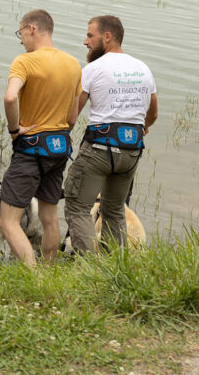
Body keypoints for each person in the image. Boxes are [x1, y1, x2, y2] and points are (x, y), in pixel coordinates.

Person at [64, 16, 158, 252]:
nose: (85, 41)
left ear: (107, 37)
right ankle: (113, 270)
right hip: (132, 151)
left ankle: (86, 267)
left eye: (90, 35)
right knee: (114, 209)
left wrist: (63, 134)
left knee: (77, 207)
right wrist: (142, 127)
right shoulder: (142, 68)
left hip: (99, 149)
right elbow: (153, 113)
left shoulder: (93, 68)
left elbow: (73, 115)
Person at [0, 9, 81, 267]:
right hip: (58, 149)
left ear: (31, 29)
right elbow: (72, 118)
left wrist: (15, 129)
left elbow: (11, 97)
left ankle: (32, 275)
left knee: (7, 221)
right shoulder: (73, 64)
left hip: (31, 149)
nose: (21, 40)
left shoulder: (25, 61)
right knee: (49, 217)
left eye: (20, 33)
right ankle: (48, 270)